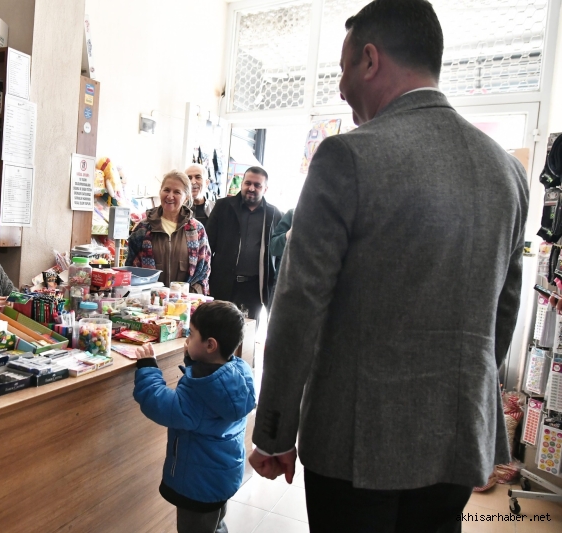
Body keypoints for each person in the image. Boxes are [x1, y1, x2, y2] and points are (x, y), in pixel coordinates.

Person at [248, 1, 528, 532]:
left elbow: (300, 303)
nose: (340, 88)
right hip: (457, 436)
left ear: (371, 60)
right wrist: (465, 401)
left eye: (343, 69)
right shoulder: (508, 173)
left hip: (356, 443)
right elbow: (502, 315)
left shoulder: (346, 157)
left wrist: (276, 431)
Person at [133, 301, 255, 533]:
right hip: (221, 478)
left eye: (191, 334)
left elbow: (162, 405)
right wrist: (194, 360)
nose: (187, 340)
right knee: (216, 524)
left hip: (198, 486)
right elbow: (211, 377)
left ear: (210, 345)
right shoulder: (238, 371)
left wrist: (148, 369)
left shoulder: (199, 393)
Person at [205, 167, 282, 321]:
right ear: (242, 183)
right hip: (222, 283)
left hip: (254, 289)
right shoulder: (223, 206)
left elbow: (278, 252)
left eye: (257, 185)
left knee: (247, 331)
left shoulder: (274, 214)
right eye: (248, 183)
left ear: (265, 189)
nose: (251, 188)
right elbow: (207, 246)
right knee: (217, 327)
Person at [125, 170, 211, 294]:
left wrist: (189, 296)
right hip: (148, 303)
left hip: (185, 302)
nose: (170, 196)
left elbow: (203, 272)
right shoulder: (143, 228)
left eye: (177, 192)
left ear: (186, 198)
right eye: (166, 190)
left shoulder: (197, 230)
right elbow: (131, 270)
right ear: (160, 192)